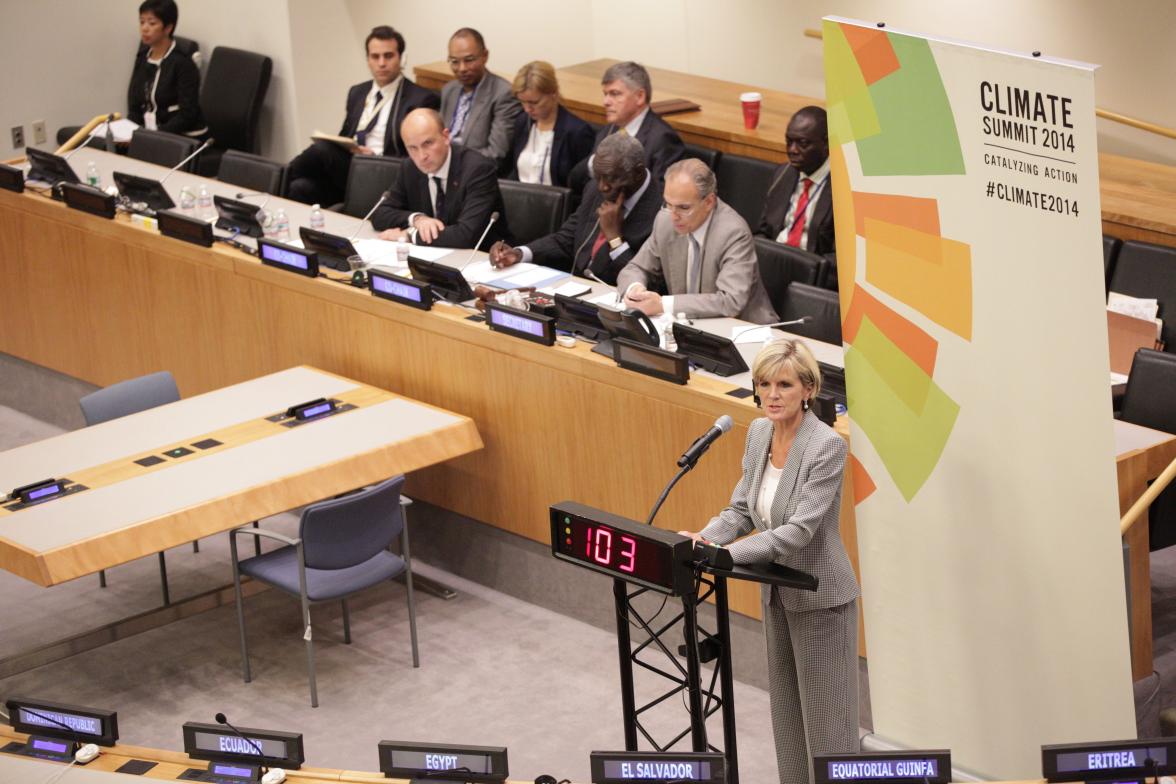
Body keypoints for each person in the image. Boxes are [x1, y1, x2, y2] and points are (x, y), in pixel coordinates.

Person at [680, 338, 859, 784]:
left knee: (827, 730)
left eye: (784, 384)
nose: (772, 394)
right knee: (788, 721)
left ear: (808, 389)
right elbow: (741, 511)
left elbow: (798, 532)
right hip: (779, 593)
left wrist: (725, 556)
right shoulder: (759, 432)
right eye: (764, 384)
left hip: (821, 600)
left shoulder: (825, 446)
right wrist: (704, 538)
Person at [286, 26, 439, 206]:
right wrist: (350, 147)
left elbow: (418, 155)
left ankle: (278, 177)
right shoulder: (358, 92)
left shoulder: (420, 98)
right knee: (299, 187)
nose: (382, 63)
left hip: (384, 171)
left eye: (388, 56)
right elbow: (344, 135)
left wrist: (374, 157)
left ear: (401, 58)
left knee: (321, 150)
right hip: (350, 167)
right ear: (368, 59)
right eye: (375, 57)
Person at [616, 158, 777, 323]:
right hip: (688, 324)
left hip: (745, 329)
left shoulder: (733, 233)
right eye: (668, 204)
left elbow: (731, 302)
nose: (673, 216)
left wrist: (662, 304)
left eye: (683, 208)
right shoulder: (665, 220)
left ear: (709, 202)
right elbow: (635, 268)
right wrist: (635, 290)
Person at [488, 134, 659, 285]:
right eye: (598, 176)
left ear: (637, 172)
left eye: (612, 178)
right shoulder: (594, 189)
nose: (602, 187)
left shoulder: (663, 209)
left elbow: (650, 282)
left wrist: (614, 239)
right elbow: (566, 240)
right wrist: (519, 253)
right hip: (575, 292)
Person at [373, 108, 511, 248]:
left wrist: (409, 235)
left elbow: (466, 235)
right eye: (412, 148)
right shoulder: (410, 167)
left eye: (428, 143)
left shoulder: (478, 170)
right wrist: (417, 219)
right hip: (434, 256)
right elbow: (379, 215)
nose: (422, 156)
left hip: (482, 258)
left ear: (446, 137)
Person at [439, 28, 521, 173]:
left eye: (469, 60)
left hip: (475, 175)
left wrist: (451, 164)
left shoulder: (503, 94)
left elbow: (496, 154)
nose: (462, 68)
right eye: (454, 62)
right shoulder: (449, 90)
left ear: (485, 56)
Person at [756, 107, 835, 256]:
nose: (792, 150)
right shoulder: (782, 174)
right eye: (789, 141)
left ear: (826, 144)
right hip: (776, 260)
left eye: (803, 143)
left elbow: (841, 258)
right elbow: (764, 231)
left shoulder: (844, 188)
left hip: (813, 270)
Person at [503, 61, 594, 188]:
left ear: (553, 94)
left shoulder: (577, 131)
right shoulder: (523, 122)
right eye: (522, 102)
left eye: (534, 102)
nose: (527, 109)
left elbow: (581, 183)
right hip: (521, 201)